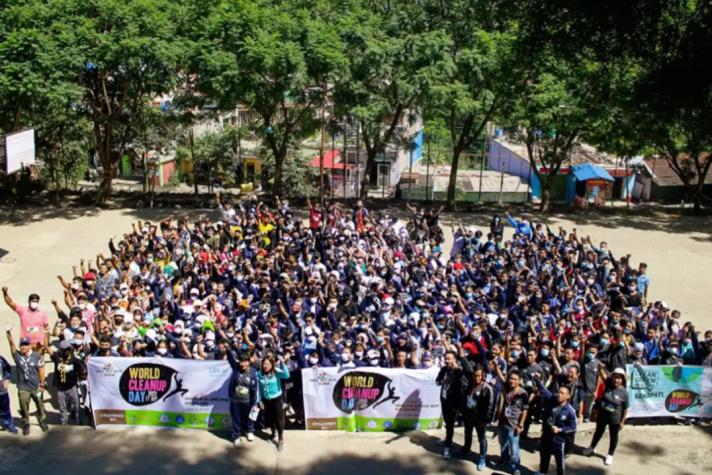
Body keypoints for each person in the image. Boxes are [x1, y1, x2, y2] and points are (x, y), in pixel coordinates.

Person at [6, 324, 47, 435]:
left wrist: (42, 383)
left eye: (25, 345)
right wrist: (8, 333)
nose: (23, 347)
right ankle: (26, 423)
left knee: (40, 405)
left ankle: (42, 420)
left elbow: (41, 369)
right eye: (22, 345)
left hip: (36, 386)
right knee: (23, 406)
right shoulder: (17, 356)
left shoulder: (36, 355)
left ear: (29, 346)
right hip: (23, 387)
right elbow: (11, 344)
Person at [583, 368, 629, 466]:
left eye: (619, 378)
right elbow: (602, 374)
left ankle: (610, 455)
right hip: (602, 416)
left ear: (622, 380)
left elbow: (625, 409)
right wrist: (600, 367)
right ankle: (592, 447)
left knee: (613, 437)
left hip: (615, 419)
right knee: (598, 433)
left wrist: (622, 422)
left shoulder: (624, 393)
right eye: (615, 377)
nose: (616, 380)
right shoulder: (608, 384)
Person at [534, 374, 577, 475]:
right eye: (558, 392)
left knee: (559, 464)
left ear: (568, 396)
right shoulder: (553, 399)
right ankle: (542, 472)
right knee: (544, 459)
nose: (559, 395)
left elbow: (573, 427)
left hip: (558, 441)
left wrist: (560, 430)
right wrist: (537, 381)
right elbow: (544, 391)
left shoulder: (570, 411)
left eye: (562, 393)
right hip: (546, 437)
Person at [461, 367, 494, 471]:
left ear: (483, 376)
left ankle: (482, 458)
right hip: (469, 416)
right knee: (468, 433)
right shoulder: (470, 385)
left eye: (479, 375)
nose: (476, 378)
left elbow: (490, 405)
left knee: (482, 438)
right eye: (475, 376)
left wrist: (486, 419)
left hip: (480, 419)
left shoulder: (487, 388)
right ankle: (466, 449)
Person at [436, 350, 466, 460]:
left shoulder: (458, 371)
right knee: (447, 423)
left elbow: (463, 377)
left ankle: (447, 446)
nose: (447, 361)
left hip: (454, 402)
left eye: (449, 359)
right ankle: (447, 440)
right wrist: (444, 381)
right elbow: (437, 382)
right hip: (444, 400)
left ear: (454, 359)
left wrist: (456, 370)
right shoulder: (443, 369)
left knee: (450, 424)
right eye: (446, 358)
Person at [497, 371, 528, 475]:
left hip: (514, 425)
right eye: (511, 378)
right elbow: (501, 376)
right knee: (503, 443)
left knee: (514, 449)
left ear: (519, 381)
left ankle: (515, 468)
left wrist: (521, 424)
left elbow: (525, 410)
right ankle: (504, 459)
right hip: (503, 422)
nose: (512, 381)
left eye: (515, 379)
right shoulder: (507, 388)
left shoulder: (523, 394)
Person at [257, 355, 290, 451]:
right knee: (270, 419)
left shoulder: (276, 372)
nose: (266, 366)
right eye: (264, 364)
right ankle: (273, 434)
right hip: (266, 400)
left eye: (268, 364)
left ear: (272, 364)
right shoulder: (259, 374)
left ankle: (280, 439)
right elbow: (259, 389)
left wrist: (283, 364)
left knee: (279, 419)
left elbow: (287, 375)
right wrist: (260, 400)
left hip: (277, 399)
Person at [49, 339, 85, 425]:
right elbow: (47, 348)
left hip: (72, 387)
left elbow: (82, 371)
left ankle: (77, 421)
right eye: (63, 349)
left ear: (70, 349)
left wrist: (83, 372)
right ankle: (64, 423)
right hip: (60, 389)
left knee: (76, 406)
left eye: (67, 349)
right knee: (62, 408)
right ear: (60, 349)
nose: (65, 351)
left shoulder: (75, 360)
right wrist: (46, 333)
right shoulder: (57, 357)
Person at [227, 350, 259, 447]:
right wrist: (228, 348)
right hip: (235, 400)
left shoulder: (253, 371)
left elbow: (254, 387)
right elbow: (230, 358)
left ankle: (249, 431)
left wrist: (254, 402)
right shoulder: (236, 368)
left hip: (248, 400)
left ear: (249, 362)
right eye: (241, 361)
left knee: (249, 418)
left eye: (245, 362)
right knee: (236, 419)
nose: (243, 364)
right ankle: (236, 436)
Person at [0, 352, 19, 433]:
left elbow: (7, 368)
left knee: (5, 407)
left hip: (1, 387)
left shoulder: (0, 359)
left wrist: (7, 379)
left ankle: (9, 424)